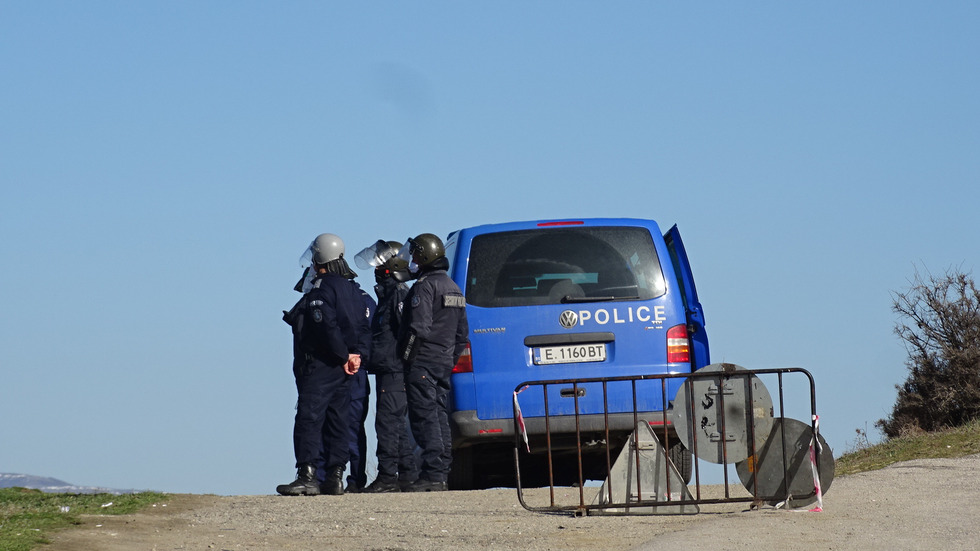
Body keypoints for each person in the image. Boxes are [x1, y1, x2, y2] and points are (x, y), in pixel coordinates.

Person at [277, 233, 371, 496]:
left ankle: (307, 475)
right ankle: (335, 477)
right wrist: (355, 357)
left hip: (322, 365)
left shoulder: (321, 289)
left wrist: (342, 356)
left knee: (309, 417)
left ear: (319, 256)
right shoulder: (353, 289)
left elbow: (325, 327)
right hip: (346, 368)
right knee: (339, 420)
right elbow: (364, 328)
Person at [396, 233, 469, 492]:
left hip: (423, 362)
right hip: (442, 363)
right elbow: (462, 335)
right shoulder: (453, 287)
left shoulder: (424, 286)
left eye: (415, 255)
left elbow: (418, 328)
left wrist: (406, 359)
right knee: (439, 416)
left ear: (425, 256)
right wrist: (448, 359)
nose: (412, 260)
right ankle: (441, 472)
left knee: (425, 417)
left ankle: (432, 474)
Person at [354, 240, 420, 493]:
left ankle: (387, 477)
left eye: (381, 264)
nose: (376, 269)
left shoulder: (398, 294)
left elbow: (410, 332)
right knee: (395, 424)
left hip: (395, 370)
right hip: (386, 369)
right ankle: (407, 474)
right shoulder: (387, 295)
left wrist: (402, 364)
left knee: (387, 423)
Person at [341, 284, 375, 493]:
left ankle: (351, 478)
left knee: (350, 428)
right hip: (355, 371)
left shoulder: (359, 300)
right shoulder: (366, 300)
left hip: (351, 371)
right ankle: (352, 478)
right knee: (352, 429)